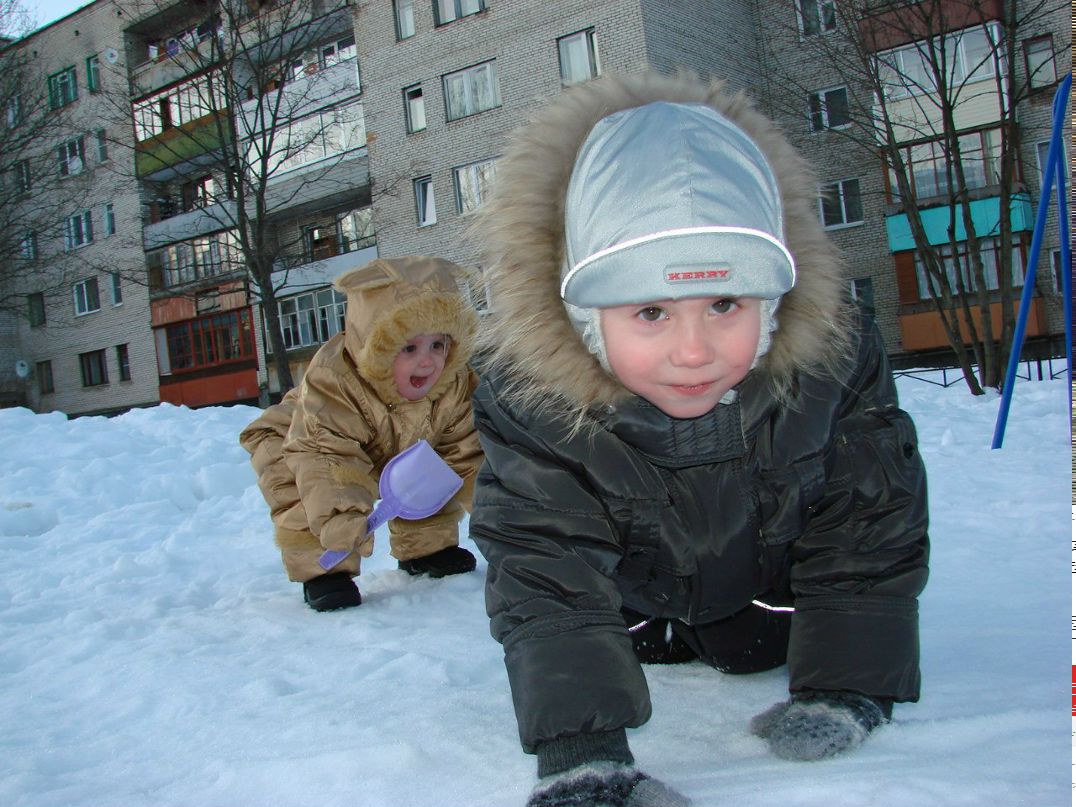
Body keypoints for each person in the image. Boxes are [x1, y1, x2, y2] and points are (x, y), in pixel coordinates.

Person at [467, 72, 930, 806]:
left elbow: (869, 522)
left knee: (753, 643)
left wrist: (847, 683)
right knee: (623, 620)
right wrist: (583, 752)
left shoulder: (829, 368)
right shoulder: (537, 403)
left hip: (771, 609)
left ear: (774, 302)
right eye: (650, 310)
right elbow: (544, 563)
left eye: (724, 302)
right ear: (587, 316)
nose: (694, 350)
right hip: (634, 613)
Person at [240, 256, 484, 612]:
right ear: (376, 346)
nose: (428, 361)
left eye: (439, 345)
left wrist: (499, 513)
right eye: (410, 347)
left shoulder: (454, 384)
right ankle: (324, 567)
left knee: (431, 470)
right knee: (302, 484)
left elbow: (466, 454)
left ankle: (426, 547)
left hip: (385, 442)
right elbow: (327, 458)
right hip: (299, 438)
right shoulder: (335, 381)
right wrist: (342, 521)